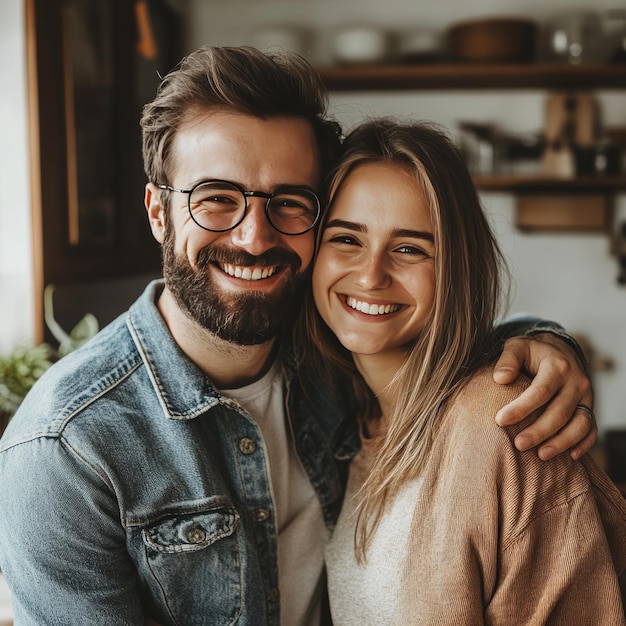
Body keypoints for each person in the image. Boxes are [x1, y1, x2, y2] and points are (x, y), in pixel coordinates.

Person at [0, 46, 595, 625]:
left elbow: (437, 344)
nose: (255, 237)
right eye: (216, 199)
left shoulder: (332, 357)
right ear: (159, 212)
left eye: (288, 203)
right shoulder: (66, 451)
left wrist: (541, 340)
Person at [306, 119, 626, 624]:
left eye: (410, 248)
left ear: (457, 268)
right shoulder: (341, 420)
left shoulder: (503, 425)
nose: (370, 275)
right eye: (346, 238)